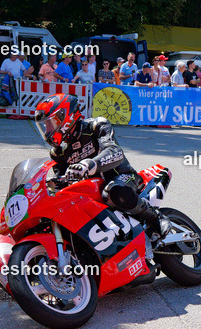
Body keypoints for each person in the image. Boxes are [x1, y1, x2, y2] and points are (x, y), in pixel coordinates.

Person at [34, 94, 171, 279]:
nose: (48, 129)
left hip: (122, 178)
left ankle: (156, 219)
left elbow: (115, 152)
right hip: (90, 192)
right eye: (45, 126)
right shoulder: (58, 152)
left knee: (113, 192)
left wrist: (90, 165)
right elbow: (62, 176)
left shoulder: (96, 125)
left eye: (51, 123)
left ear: (66, 116)